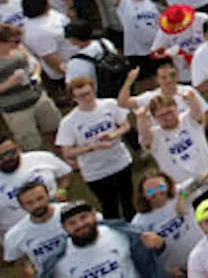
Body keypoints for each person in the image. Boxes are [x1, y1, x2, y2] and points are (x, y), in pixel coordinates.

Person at [55, 76, 133, 219]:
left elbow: (126, 125)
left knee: (129, 202)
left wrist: (113, 134)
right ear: (73, 98)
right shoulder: (69, 122)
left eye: (88, 93)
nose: (86, 98)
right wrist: (93, 147)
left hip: (120, 162)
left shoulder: (109, 105)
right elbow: (67, 152)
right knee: (110, 208)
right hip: (96, 172)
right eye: (81, 96)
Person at [130, 166, 208, 275]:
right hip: (180, 271)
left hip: (205, 255)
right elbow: (141, 258)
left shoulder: (179, 193)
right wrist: (167, 271)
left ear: (167, 184)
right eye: (150, 191)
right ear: (143, 194)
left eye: (160, 187)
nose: (157, 193)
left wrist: (183, 197)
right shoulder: (140, 222)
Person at [45, 201, 166, 278]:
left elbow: (149, 259)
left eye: (84, 217)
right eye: (72, 223)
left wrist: (159, 244)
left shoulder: (122, 233)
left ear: (94, 215)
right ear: (64, 228)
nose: (80, 225)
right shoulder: (58, 262)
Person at [0, 24, 62, 151]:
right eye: (15, 41)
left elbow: (35, 64)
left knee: (54, 129)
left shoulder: (19, 49)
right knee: (31, 144)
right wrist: (9, 83)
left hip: (37, 97)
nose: (18, 44)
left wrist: (36, 75)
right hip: (16, 109)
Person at [0, 132, 72, 234]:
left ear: (18, 148)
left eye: (11, 152)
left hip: (59, 220)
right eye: (1, 157)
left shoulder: (41, 157)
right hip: (22, 233)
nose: (7, 159)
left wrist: (62, 190)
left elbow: (65, 173)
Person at [3, 181, 67, 275]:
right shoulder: (15, 235)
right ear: (22, 207)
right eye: (29, 203)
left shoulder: (72, 213)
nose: (37, 205)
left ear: (48, 195)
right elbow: (18, 261)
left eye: (40, 198)